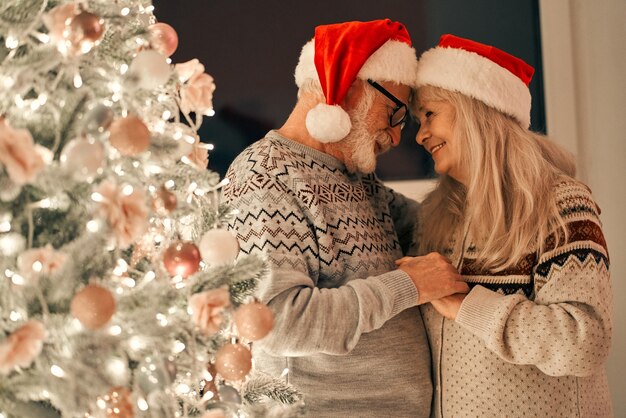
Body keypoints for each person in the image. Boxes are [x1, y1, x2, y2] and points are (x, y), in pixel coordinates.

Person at [223, 20, 467, 417]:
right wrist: (407, 286)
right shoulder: (264, 175)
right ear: (349, 85)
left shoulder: (355, 179)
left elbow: (433, 225)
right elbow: (277, 322)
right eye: (395, 113)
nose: (396, 134)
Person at [400, 34, 613, 417]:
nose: (420, 134)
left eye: (430, 114)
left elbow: (585, 341)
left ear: (474, 109)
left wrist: (469, 306)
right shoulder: (436, 217)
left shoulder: (561, 203)